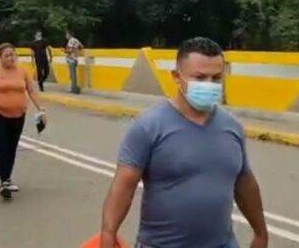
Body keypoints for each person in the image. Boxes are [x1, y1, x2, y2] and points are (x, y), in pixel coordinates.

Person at [99, 37, 268, 248]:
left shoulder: (232, 127)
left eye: (216, 78)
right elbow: (124, 184)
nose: (209, 85)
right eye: (200, 77)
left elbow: (244, 182)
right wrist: (108, 234)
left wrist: (260, 233)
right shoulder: (149, 126)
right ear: (177, 77)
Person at [0, 43, 46, 200]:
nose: (11, 58)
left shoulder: (23, 72)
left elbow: (31, 90)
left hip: (18, 115)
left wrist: (40, 107)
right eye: (7, 55)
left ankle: (7, 178)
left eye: (13, 55)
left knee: (12, 147)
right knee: (2, 147)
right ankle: (4, 181)